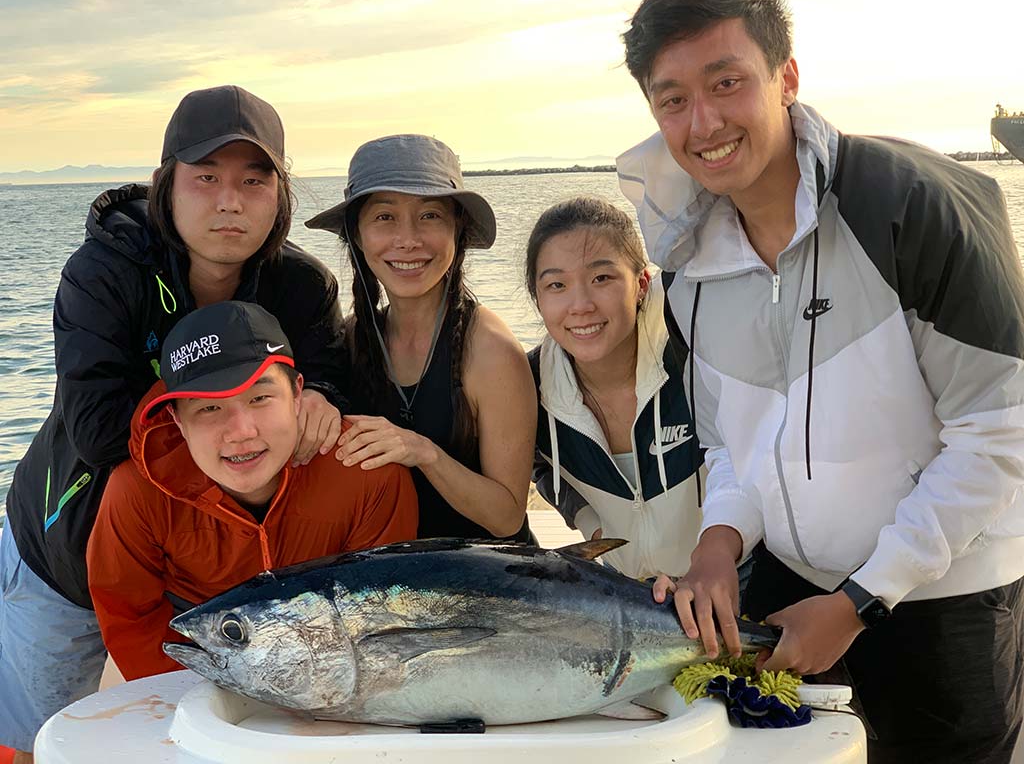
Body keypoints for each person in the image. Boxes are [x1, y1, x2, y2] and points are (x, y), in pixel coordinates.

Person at [616, 0, 1024, 761]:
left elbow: (999, 435)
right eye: (673, 101)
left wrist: (859, 601)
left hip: (948, 597)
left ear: (786, 78)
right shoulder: (686, 264)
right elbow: (731, 442)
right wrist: (718, 543)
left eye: (726, 82)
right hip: (789, 591)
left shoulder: (909, 209)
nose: (702, 123)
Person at [0, 85, 346, 760]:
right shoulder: (104, 274)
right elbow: (99, 429)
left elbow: (330, 379)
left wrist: (323, 397)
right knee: (37, 737)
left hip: (210, 568)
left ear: (281, 192)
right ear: (165, 184)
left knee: (207, 734)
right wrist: (242, 418)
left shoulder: (302, 287)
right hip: (64, 549)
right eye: (206, 178)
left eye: (254, 180)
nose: (229, 201)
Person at [87, 302, 417, 679]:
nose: (241, 431)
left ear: (297, 395)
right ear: (177, 420)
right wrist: (204, 697)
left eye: (259, 398)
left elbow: (380, 614)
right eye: (209, 409)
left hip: (332, 665)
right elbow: (130, 615)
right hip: (197, 655)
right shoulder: (135, 492)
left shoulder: (366, 470)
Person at [305, 135, 535, 542]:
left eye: (429, 216)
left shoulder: (490, 350)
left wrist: (423, 452)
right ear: (357, 236)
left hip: (490, 579)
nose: (408, 239)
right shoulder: (356, 337)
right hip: (397, 581)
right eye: (384, 217)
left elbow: (507, 517)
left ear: (457, 231)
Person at [526, 196, 703, 579]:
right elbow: (536, 462)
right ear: (537, 299)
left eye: (601, 278)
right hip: (628, 596)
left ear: (641, 283)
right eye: (557, 284)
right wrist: (589, 521)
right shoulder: (530, 386)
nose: (581, 305)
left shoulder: (692, 352)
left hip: (737, 579)